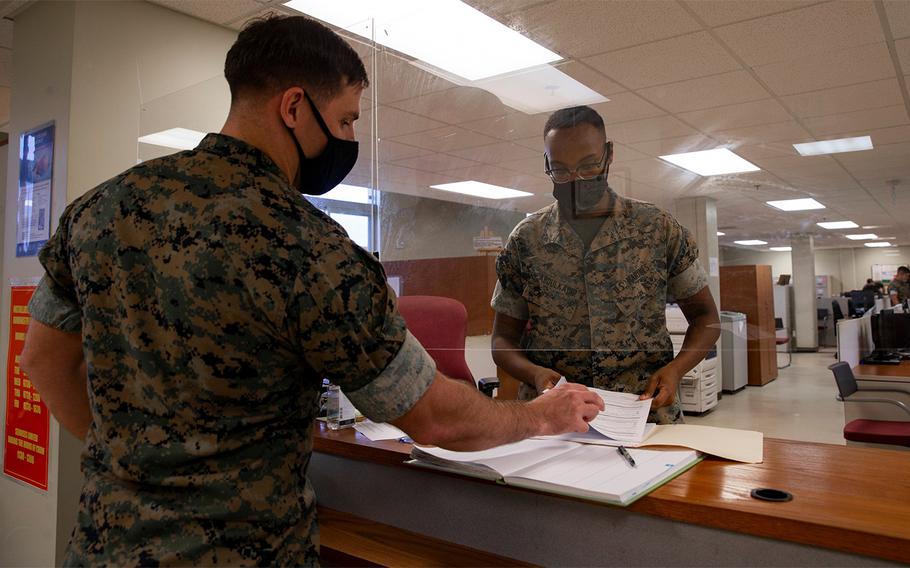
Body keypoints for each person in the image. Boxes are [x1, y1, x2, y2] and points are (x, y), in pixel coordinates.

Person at [20, 16, 604, 566]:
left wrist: (133, 459)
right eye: (347, 121)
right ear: (295, 106)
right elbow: (434, 418)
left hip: (103, 549)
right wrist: (538, 417)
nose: (350, 138)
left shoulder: (99, 210)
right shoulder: (310, 248)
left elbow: (41, 362)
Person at [491, 105, 721, 424]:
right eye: (560, 169)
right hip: (556, 415)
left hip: (644, 412)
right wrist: (535, 374)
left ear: (609, 154)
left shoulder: (657, 229)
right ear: (546, 164)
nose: (575, 180)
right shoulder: (526, 240)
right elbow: (502, 340)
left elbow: (706, 317)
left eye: (588, 166)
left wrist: (675, 370)